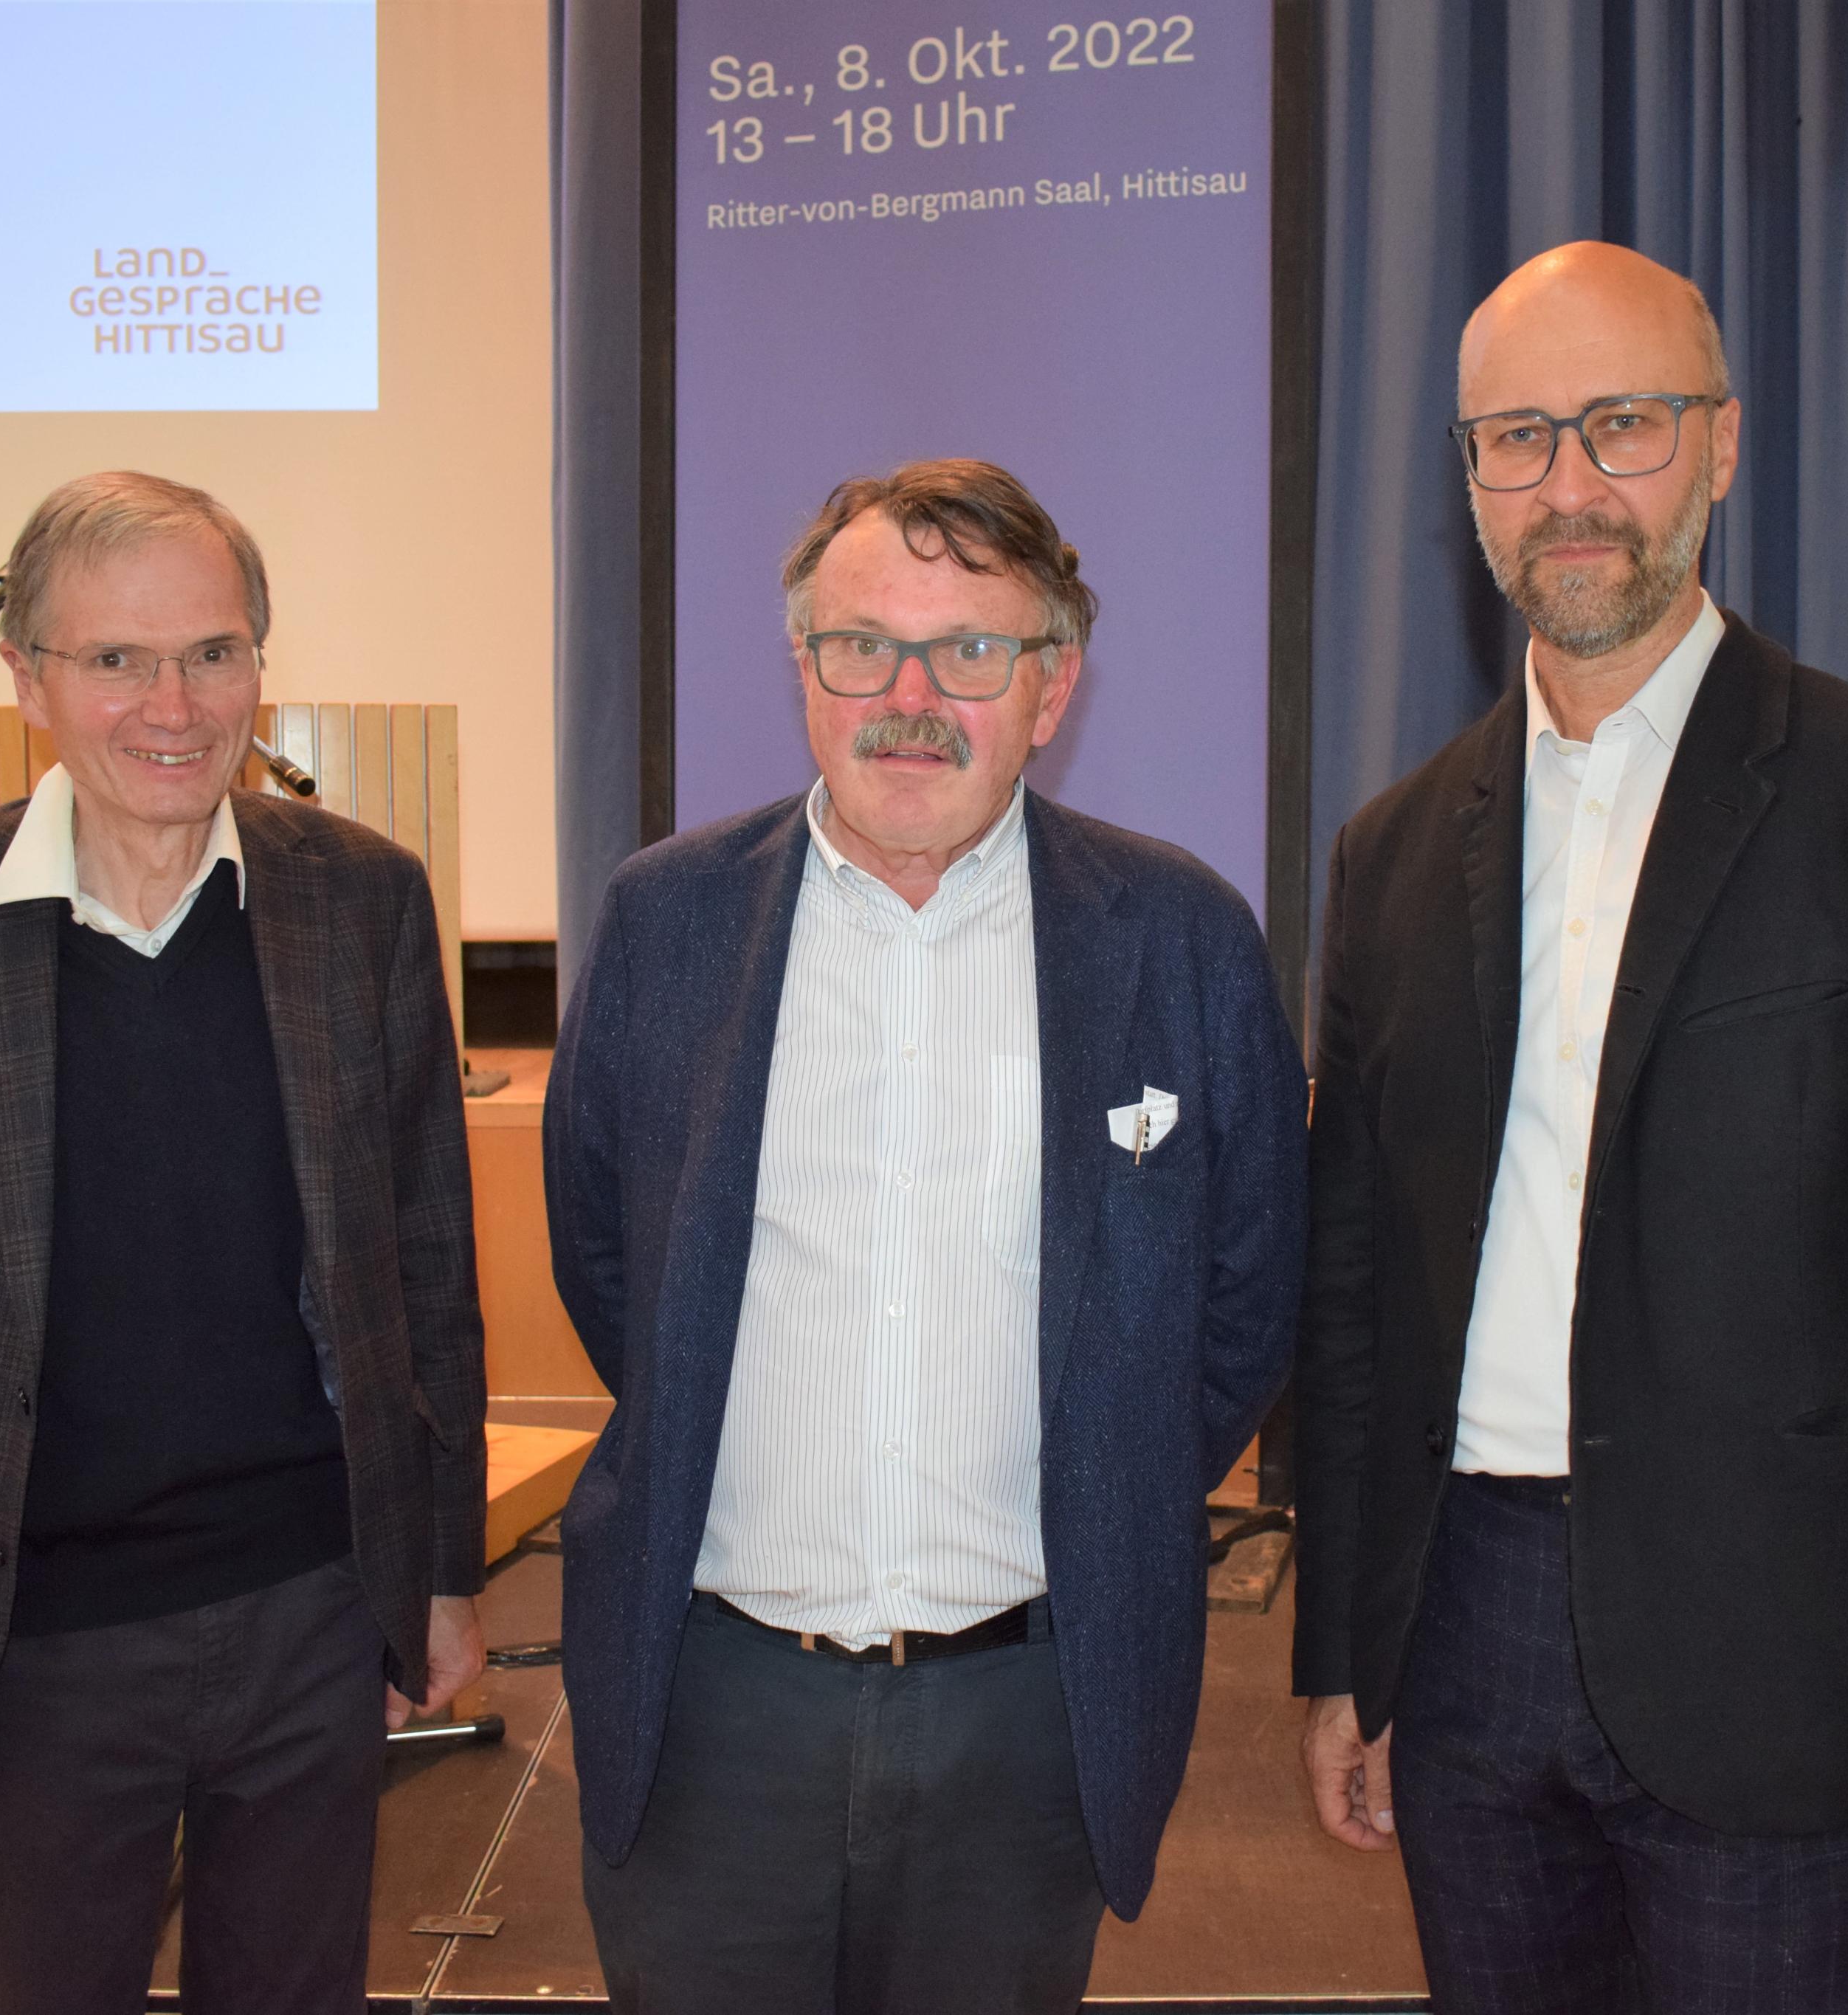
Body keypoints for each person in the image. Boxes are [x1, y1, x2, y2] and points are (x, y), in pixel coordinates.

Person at [1292, 242, 1848, 2012]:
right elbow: (1352, 1300)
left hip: (1779, 1655)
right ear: (1468, 479)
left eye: (1623, 424)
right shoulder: (1391, 853)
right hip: (1464, 1643)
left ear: (1719, 447)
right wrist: (1343, 1655)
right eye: (1516, 438)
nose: (1568, 484)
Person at [545, 458, 1308, 2014]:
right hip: (711, 1706)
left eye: (967, 651)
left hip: (1027, 1723)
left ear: (1051, 686)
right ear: (803, 667)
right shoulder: (665, 921)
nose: (909, 698)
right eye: (861, 646)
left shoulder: (1180, 938)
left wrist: (1107, 1489)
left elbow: (1245, 1303)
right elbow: (606, 1256)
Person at [0, 470, 489, 2014]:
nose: (175, 705)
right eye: (116, 660)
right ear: (27, 678)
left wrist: (437, 1568)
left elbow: (427, 1270)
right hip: (32, 1640)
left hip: (311, 1610)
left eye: (212, 654)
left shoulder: (361, 901)